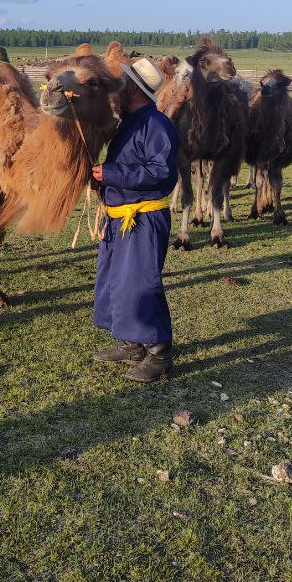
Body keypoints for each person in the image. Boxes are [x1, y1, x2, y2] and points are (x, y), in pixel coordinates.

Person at [91, 57, 179, 382]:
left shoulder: (156, 124)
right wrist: (103, 180)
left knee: (141, 284)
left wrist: (111, 173)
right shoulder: (129, 122)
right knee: (115, 280)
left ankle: (159, 355)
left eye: (120, 84)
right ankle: (131, 344)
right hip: (120, 217)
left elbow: (161, 172)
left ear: (131, 88)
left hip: (142, 218)